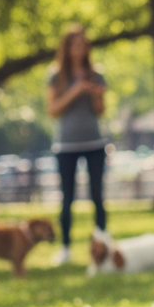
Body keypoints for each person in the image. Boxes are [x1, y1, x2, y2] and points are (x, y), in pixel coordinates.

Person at [46, 25, 108, 264]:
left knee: (97, 196)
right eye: (75, 44)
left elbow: (101, 111)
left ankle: (103, 243)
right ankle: (65, 248)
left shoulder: (96, 74)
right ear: (67, 48)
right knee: (67, 197)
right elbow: (53, 110)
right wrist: (75, 90)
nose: (79, 49)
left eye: (83, 45)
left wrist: (96, 95)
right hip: (66, 146)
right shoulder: (56, 75)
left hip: (94, 142)